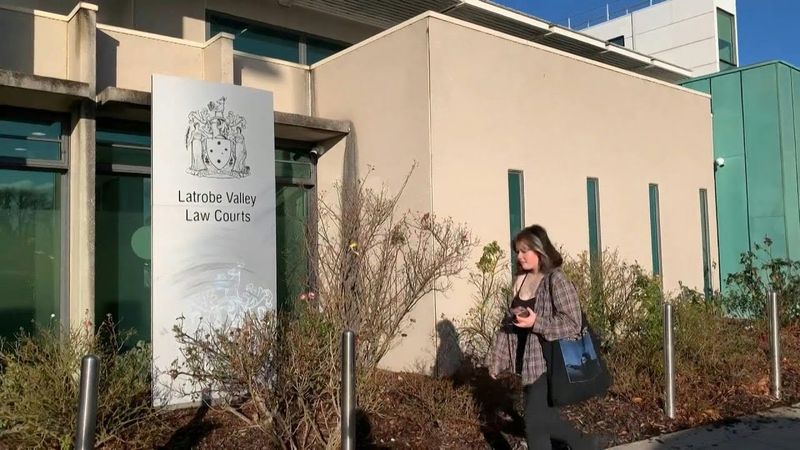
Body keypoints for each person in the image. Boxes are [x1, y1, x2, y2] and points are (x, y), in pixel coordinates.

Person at [488, 225, 599, 450]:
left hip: (549, 363)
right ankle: (584, 444)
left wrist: (536, 323)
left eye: (524, 251)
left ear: (539, 251)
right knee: (543, 419)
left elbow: (572, 323)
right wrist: (497, 359)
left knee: (533, 424)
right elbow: (508, 324)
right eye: (517, 251)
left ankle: (583, 443)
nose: (519, 256)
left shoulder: (556, 281)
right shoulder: (520, 282)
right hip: (527, 364)